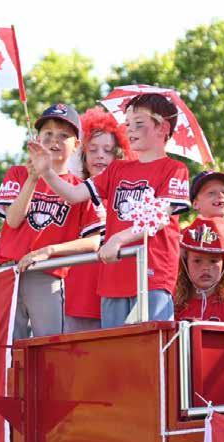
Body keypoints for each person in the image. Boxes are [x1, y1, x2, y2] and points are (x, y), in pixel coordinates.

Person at [29, 93, 190, 328]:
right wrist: (47, 172)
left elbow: (159, 216)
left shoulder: (175, 169)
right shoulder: (117, 169)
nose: (130, 129)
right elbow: (73, 195)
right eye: (128, 123)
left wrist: (117, 239)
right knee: (113, 349)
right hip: (112, 279)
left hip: (152, 276)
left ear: (163, 127)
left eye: (138, 123)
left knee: (150, 347)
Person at [0, 103, 103, 339]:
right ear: (37, 139)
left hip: (48, 273)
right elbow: (12, 220)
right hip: (9, 272)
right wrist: (33, 178)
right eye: (48, 133)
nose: (55, 140)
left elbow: (94, 241)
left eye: (64, 135)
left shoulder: (78, 187)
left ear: (76, 145)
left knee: (49, 345)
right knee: (9, 348)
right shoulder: (18, 173)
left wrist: (50, 250)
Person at [63, 107, 135, 332]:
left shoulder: (129, 197)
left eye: (108, 150)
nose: (100, 155)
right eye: (92, 149)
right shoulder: (71, 192)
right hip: (78, 295)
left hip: (119, 293)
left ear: (119, 155)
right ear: (83, 155)